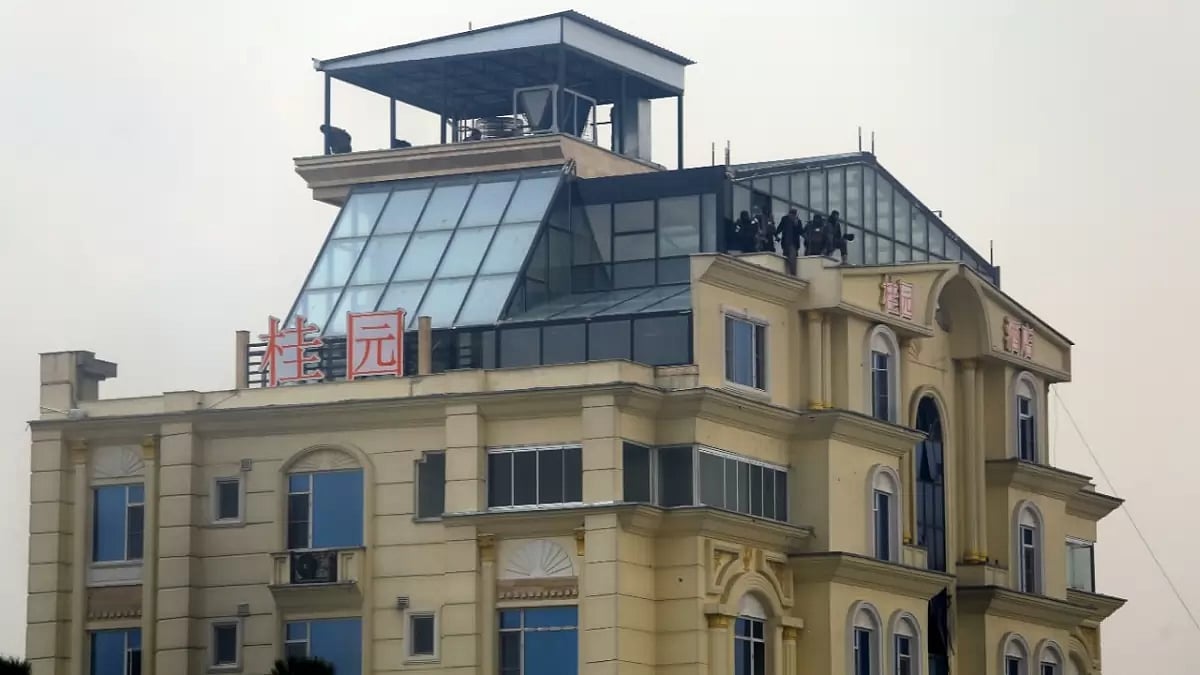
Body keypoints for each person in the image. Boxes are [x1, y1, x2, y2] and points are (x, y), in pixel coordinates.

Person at [776, 208, 803, 274]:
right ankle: (791, 274)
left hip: (789, 243)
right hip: (789, 244)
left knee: (789, 259)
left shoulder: (795, 221)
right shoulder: (786, 219)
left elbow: (779, 228)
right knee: (790, 259)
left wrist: (776, 234)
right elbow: (801, 232)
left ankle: (790, 273)